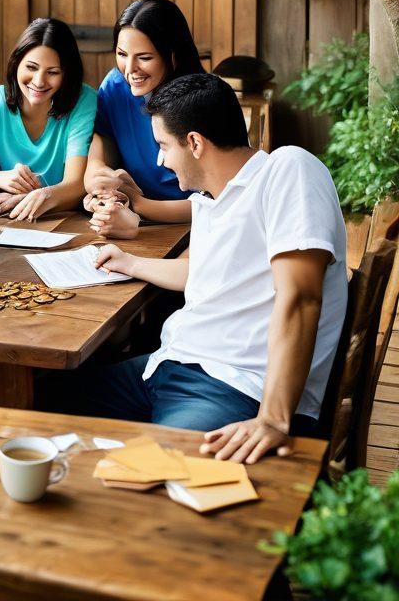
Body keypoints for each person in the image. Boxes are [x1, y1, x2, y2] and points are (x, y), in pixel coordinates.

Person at [76, 73, 347, 463]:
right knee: (37, 405)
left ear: (195, 143)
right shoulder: (210, 200)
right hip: (165, 366)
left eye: (163, 146)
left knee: (159, 472)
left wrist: (272, 418)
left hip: (234, 387)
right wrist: (130, 262)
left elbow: (301, 295)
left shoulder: (288, 170)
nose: (160, 160)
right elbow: (204, 275)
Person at [0, 18, 96, 221]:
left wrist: (33, 198)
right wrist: (3, 179)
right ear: (16, 64)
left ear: (67, 75)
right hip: (13, 219)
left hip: (66, 220)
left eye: (53, 72)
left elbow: (76, 185)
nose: (39, 81)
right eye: (31, 67)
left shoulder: (84, 100)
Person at [84, 0, 204, 240]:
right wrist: (103, 188)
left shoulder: (203, 99)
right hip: (131, 224)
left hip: (194, 229)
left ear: (173, 55)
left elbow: (216, 203)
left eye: (145, 57)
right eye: (121, 54)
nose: (130, 69)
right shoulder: (115, 86)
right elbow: (96, 162)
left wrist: (136, 205)